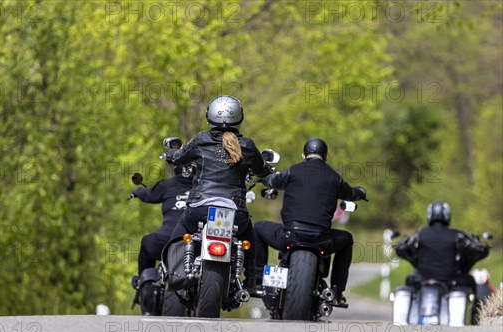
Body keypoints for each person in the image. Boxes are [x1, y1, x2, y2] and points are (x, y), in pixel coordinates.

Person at [168, 95, 273, 290]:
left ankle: (174, 273)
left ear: (210, 116)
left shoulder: (201, 140)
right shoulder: (248, 146)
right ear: (239, 117)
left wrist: (171, 155)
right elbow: (263, 171)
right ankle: (250, 283)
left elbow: (179, 158)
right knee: (249, 235)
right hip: (235, 214)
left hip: (199, 209)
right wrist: (270, 173)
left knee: (178, 231)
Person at [254, 138, 367, 304]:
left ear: (303, 155)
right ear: (326, 156)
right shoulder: (335, 178)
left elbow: (272, 181)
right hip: (321, 239)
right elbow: (350, 194)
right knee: (347, 239)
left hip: (289, 235)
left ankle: (257, 281)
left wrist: (262, 175)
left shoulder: (292, 171)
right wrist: (361, 192)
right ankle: (336, 291)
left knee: (257, 228)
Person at [130, 137, 194, 314]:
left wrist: (137, 192)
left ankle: (144, 282)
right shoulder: (204, 188)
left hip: (165, 241)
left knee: (146, 242)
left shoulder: (167, 186)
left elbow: (148, 194)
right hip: (194, 243)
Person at [395, 201, 490, 297]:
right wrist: (483, 245)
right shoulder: (456, 235)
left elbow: (401, 247)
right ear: (447, 216)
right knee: (470, 280)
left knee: (409, 280)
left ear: (429, 215)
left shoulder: (419, 234)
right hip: (451, 281)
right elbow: (477, 247)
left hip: (422, 280)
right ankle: (476, 312)